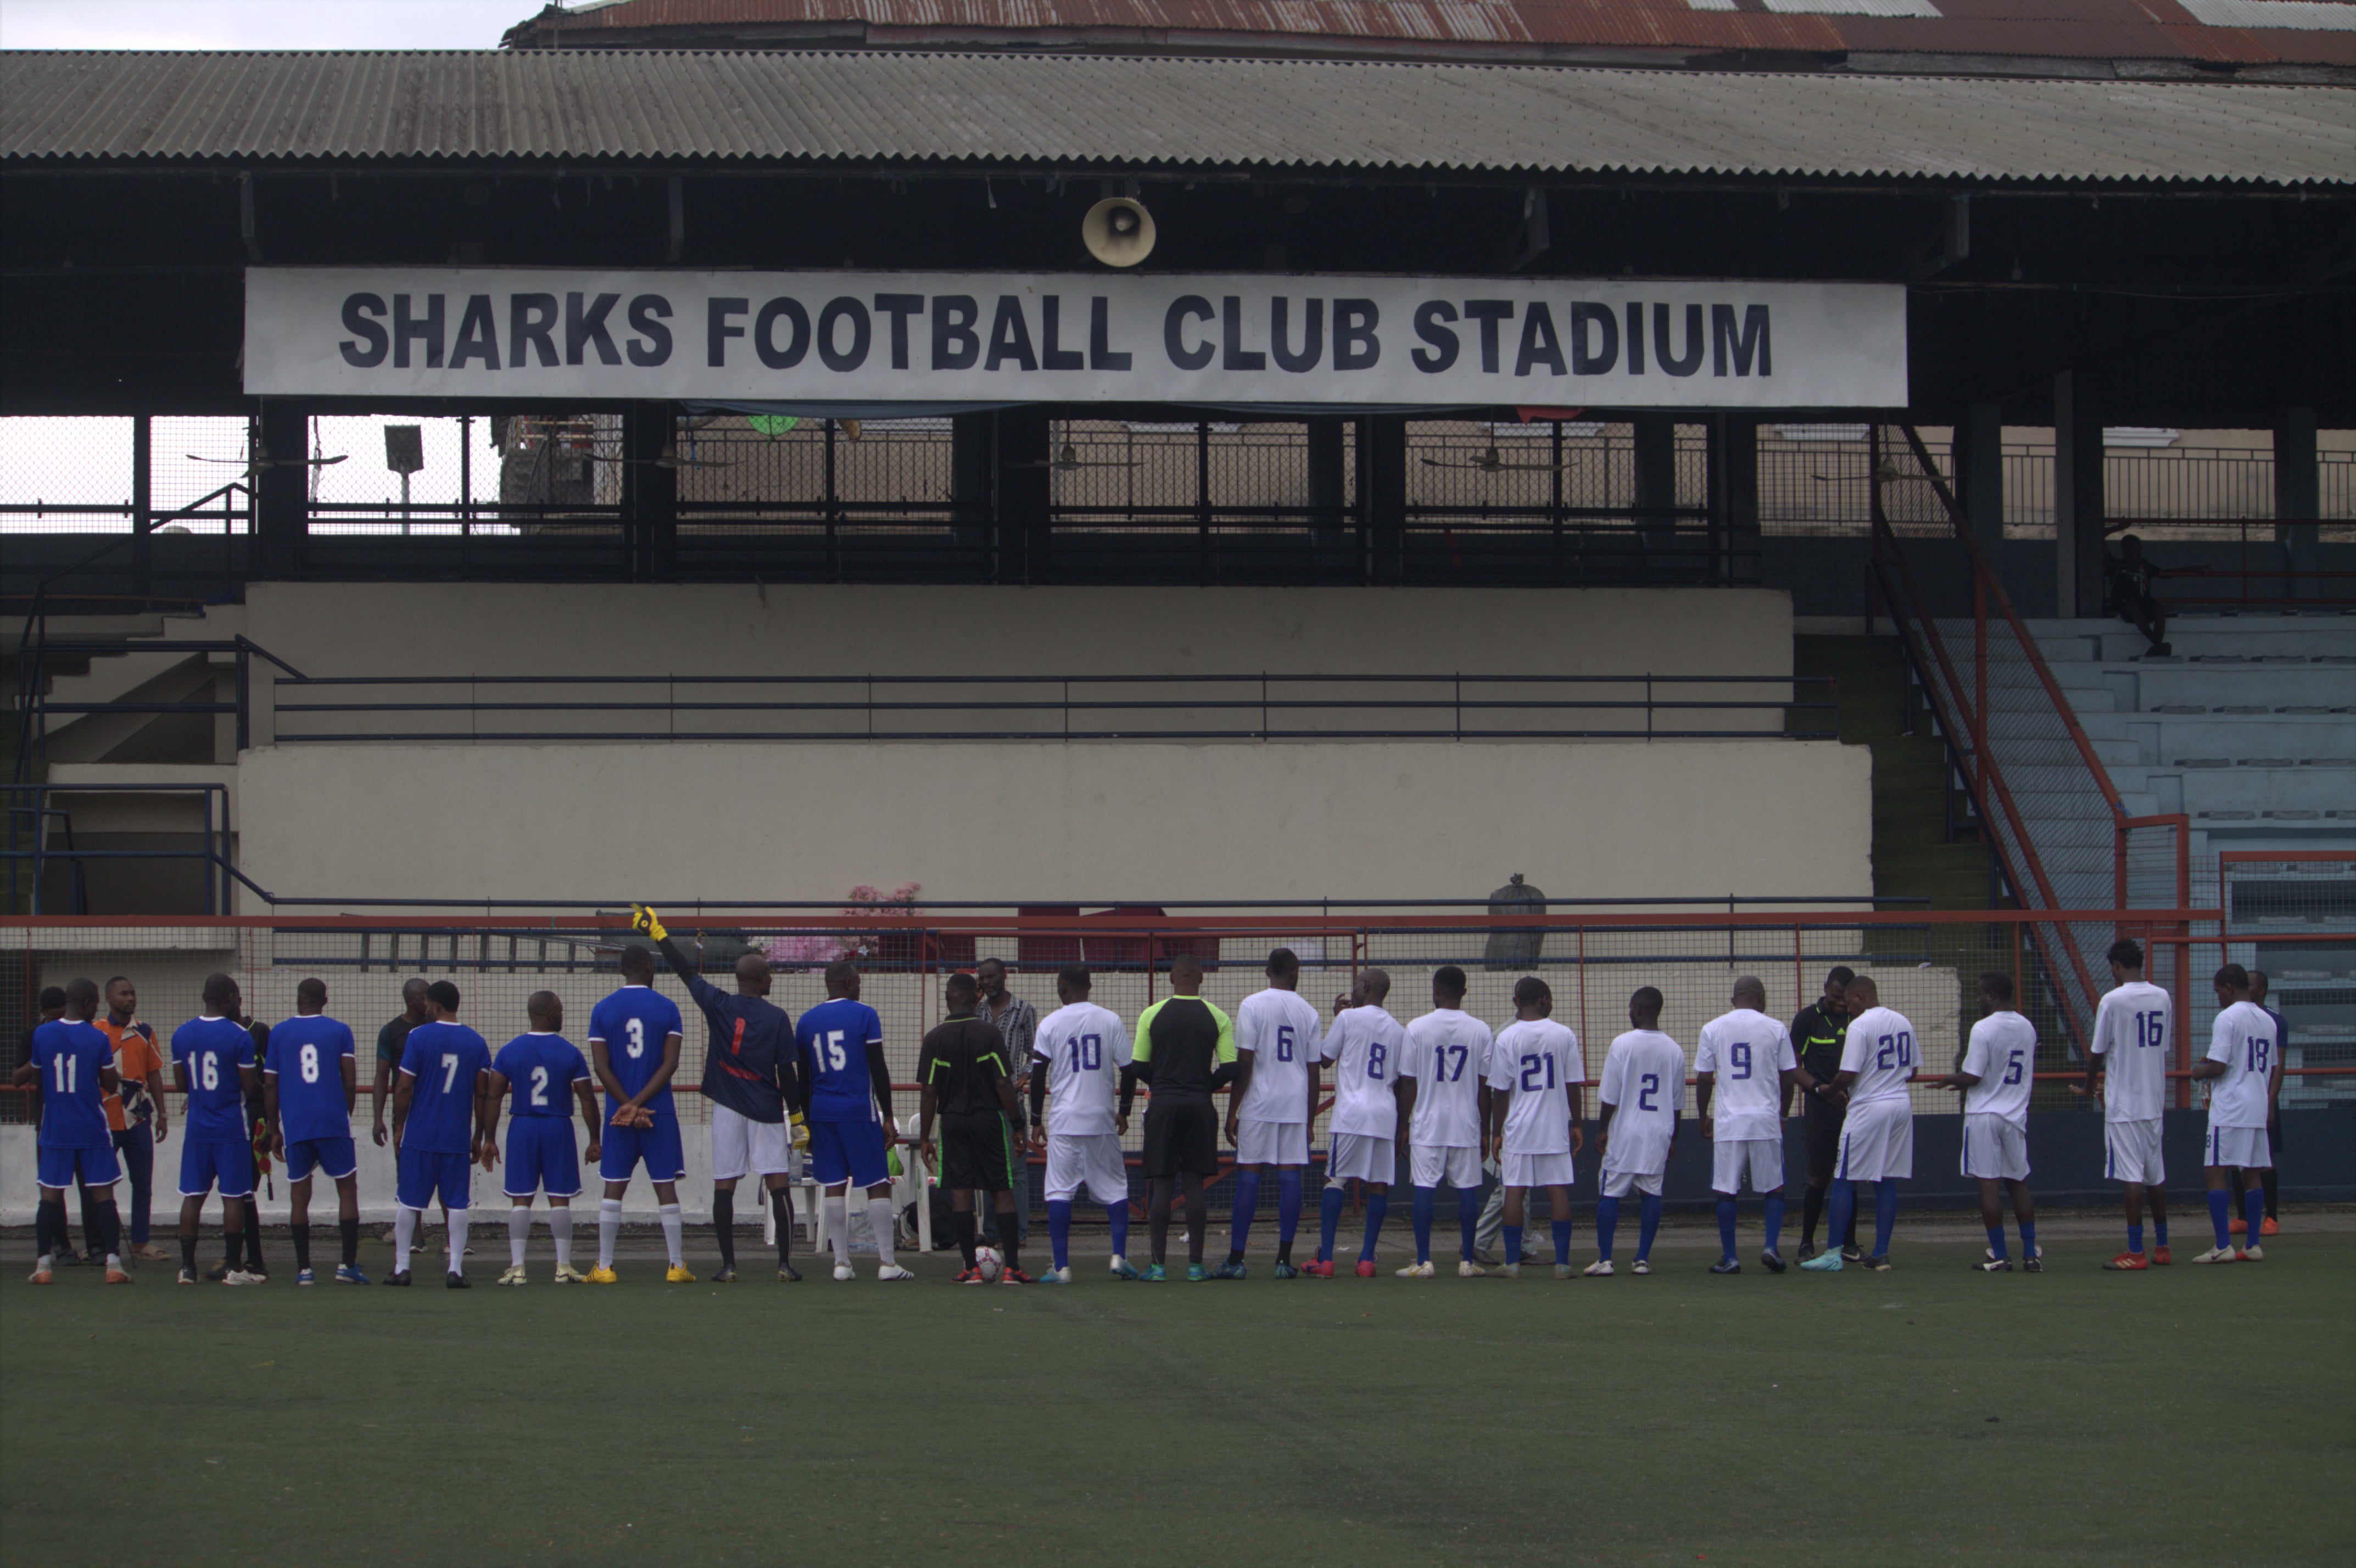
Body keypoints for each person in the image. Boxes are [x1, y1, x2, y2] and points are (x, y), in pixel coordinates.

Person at [635, 905, 807, 1282]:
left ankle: (729, 1266)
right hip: (765, 1110)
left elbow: (685, 972)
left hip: (727, 1110)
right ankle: (784, 1264)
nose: (772, 979)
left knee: (724, 1184)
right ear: (760, 979)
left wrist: (660, 935)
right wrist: (796, 1118)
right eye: (769, 975)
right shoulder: (777, 1017)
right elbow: (786, 1073)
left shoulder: (718, 1004)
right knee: (778, 1183)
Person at [1122, 953, 1238, 1282]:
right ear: (1201, 979)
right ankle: (1196, 1266)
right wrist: (1204, 1086)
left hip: (1164, 1106)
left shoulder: (1152, 1015)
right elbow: (1230, 1067)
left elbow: (1138, 1067)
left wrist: (1161, 1085)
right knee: (1194, 1184)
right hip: (1200, 1105)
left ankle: (1158, 1267)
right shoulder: (1218, 1016)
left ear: (1171, 979)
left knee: (1161, 1186)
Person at [799, 958, 913, 1283]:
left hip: (822, 1112)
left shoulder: (807, 1022)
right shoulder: (865, 1014)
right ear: (849, 983)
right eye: (859, 981)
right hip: (857, 1111)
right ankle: (888, 1263)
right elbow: (878, 1068)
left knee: (833, 1185)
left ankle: (841, 1264)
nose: (861, 986)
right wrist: (888, 1116)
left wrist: (808, 1120)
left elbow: (802, 1077)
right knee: (877, 1182)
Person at [585, 945, 692, 1284]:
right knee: (665, 1187)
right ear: (649, 967)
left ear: (621, 970)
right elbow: (671, 1063)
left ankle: (604, 1267)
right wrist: (642, 1104)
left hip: (619, 1115)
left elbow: (600, 1066)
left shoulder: (602, 1009)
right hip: (657, 1111)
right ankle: (676, 1266)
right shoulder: (667, 1008)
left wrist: (627, 1106)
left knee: (614, 1186)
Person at [15, 977, 129, 1285]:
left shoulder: (43, 1035)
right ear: (89, 1004)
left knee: (49, 1197)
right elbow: (109, 1084)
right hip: (91, 1128)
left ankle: (43, 1267)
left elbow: (36, 1077)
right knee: (103, 1195)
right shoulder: (97, 1038)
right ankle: (114, 1264)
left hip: (55, 1128)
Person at [482, 990, 601, 1285]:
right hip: (557, 1127)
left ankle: (518, 1268)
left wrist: (489, 1139)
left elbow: (493, 1097)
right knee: (559, 1199)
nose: (563, 1015)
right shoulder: (570, 1052)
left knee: (521, 1199)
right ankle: (563, 1267)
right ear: (552, 1016)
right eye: (560, 1011)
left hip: (522, 1126)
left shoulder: (509, 1051)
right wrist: (595, 1139)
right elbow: (587, 1098)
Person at [920, 971, 1032, 1284]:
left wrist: (925, 1137)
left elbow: (929, 1092)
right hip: (988, 1121)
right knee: (1001, 1190)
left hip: (952, 1122)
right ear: (975, 998)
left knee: (961, 1193)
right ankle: (1012, 1268)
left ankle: (970, 1268)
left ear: (947, 999)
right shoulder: (988, 1033)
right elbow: (1003, 1084)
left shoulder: (934, 1038)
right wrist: (1017, 1126)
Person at [1218, 947, 1323, 1279]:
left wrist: (1233, 1110)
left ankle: (1236, 1261)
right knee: (1290, 1177)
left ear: (1267, 972)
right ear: (1295, 972)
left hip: (1259, 1103)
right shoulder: (1309, 1012)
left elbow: (1245, 1061)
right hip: (1294, 1104)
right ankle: (1283, 1261)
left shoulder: (1252, 1004)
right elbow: (1315, 1071)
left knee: (1250, 1175)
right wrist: (1310, 1119)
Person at [1694, 976, 1808, 1275]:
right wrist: (1783, 1114)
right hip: (1765, 1118)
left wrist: (1703, 1115)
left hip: (1729, 1121)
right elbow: (1788, 1077)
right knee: (1774, 1186)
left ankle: (1730, 1257)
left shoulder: (1713, 1028)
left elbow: (1705, 1078)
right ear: (1761, 997)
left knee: (1726, 1189)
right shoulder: (1775, 1028)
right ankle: (1770, 1246)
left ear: (1734, 1000)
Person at [1801, 973, 1914, 1273]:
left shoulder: (1861, 1025)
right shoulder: (1903, 1021)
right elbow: (1912, 1070)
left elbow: (1848, 1073)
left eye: (1849, 1001)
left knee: (1843, 1177)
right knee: (1884, 1179)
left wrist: (1829, 1089)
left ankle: (1833, 1254)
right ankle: (1881, 1254)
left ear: (1861, 997)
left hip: (1869, 1107)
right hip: (1901, 1104)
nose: (1846, 1007)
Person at [1030, 964, 1135, 1284]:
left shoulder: (1050, 1023)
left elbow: (1037, 1076)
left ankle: (1061, 1268)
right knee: (1116, 1188)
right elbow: (1129, 1070)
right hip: (1101, 1119)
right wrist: (1124, 1111)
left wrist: (1035, 1120)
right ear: (1090, 986)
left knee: (1060, 1192)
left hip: (1064, 1122)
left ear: (1062, 987)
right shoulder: (1110, 1019)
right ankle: (1119, 1256)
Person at [263, 977, 367, 1285]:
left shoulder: (279, 1033)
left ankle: (304, 1270)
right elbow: (349, 1080)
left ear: (298, 1000)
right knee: (347, 1190)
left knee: (299, 1196)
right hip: (332, 1121)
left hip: (297, 1123)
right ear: (324, 1000)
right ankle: (347, 1266)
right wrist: (343, 1114)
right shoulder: (339, 1031)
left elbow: (270, 1083)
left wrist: (273, 1127)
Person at [389, 980, 492, 1287]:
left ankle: (402, 1269)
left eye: (428, 1005)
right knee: (458, 1203)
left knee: (409, 1201)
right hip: (456, 1138)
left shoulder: (418, 1037)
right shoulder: (476, 1042)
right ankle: (456, 1271)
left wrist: (399, 1127)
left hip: (421, 1136)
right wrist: (478, 1136)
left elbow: (405, 1086)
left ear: (435, 1006)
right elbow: (482, 1095)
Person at [1395, 965, 1493, 1279]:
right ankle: (1467, 1262)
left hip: (1428, 1123)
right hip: (1465, 1123)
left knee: (1425, 1188)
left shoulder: (1417, 1028)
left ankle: (1424, 1262)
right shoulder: (1480, 1030)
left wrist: (1403, 1124)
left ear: (1435, 990)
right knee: (1467, 1190)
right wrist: (1485, 1130)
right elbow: (1484, 1087)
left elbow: (1408, 1083)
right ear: (1465, 991)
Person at [2083, 938, 2173, 1270]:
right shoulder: (2162, 997)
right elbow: (2160, 1048)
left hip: (2125, 1104)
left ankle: (2136, 1252)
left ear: (2117, 966)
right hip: (2154, 1099)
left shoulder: (2113, 999)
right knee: (2156, 1175)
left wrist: (2090, 1086)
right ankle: (2162, 1247)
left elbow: (2097, 1051)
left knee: (2132, 1177)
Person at [1488, 976, 1587, 1279]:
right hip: (1553, 1128)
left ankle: (1513, 1264)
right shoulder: (1564, 1034)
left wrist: (1497, 1132)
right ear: (1545, 999)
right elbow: (1573, 1085)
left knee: (1514, 1192)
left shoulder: (1507, 1037)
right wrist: (1578, 1123)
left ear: (1516, 1002)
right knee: (1558, 1192)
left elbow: (1500, 1091)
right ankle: (1563, 1264)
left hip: (1519, 1128)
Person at [1311, 968, 1406, 1278]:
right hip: (1383, 1114)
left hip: (1351, 1114)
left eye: (1355, 984)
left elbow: (1325, 1059)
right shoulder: (1397, 1029)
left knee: (1336, 1180)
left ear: (1364, 987)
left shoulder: (1348, 1019)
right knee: (1378, 1186)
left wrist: (1337, 1017)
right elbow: (1404, 1081)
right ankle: (1367, 1260)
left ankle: (1326, 1259)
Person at [1941, 972, 2039, 1273]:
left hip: (1984, 1115)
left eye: (1982, 994)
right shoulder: (2028, 1027)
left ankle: (1999, 1253)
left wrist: (1949, 1080)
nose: (1979, 999)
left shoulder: (1983, 1028)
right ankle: (2030, 1255)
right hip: (2014, 1115)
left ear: (1993, 996)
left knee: (1989, 1185)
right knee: (2018, 1183)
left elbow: (1973, 1076)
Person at [172, 973, 263, 1287]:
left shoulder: (182, 1034)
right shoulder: (240, 1036)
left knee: (193, 1196)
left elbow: (182, 1084)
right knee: (233, 1197)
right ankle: (234, 1268)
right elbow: (250, 1088)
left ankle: (187, 1268)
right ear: (231, 999)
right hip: (230, 1128)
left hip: (197, 1128)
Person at [2190, 964, 2281, 1264]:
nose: (2217, 997)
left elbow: (2218, 1067)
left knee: (2215, 1170)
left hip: (2230, 1107)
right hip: (2256, 1104)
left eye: (2218, 991)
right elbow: (2271, 1065)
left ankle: (2222, 1246)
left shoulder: (2227, 1017)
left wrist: (2198, 1071)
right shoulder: (2267, 1020)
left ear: (2229, 988)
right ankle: (2253, 1244)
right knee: (2251, 1171)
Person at [1589, 987, 1676, 1278]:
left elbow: (1610, 1096)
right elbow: (1676, 1103)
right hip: (1658, 1131)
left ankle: (1605, 1259)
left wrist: (1602, 1129)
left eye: (1630, 1007)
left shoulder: (1623, 1044)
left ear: (1638, 1008)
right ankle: (1642, 1260)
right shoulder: (1674, 1049)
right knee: (1652, 1194)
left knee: (1610, 1194)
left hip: (1627, 1131)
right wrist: (1674, 1137)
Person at [1784, 967, 1858, 1263]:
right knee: (1819, 1176)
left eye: (1845, 999)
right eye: (1835, 996)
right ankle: (1806, 1243)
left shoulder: (1860, 1020)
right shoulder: (1807, 1019)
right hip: (1821, 1108)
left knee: (1850, 1175)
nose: (1840, 1003)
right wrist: (1820, 1089)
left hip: (1855, 1108)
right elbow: (1793, 1066)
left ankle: (1850, 1245)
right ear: (1826, 987)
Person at [96, 975, 169, 1263]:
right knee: (101, 1185)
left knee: (142, 1184)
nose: (130, 998)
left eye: (133, 993)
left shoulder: (145, 1032)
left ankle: (140, 1242)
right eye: (124, 994)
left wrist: (163, 1114)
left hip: (137, 1119)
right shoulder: (96, 1032)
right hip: (105, 1120)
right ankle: (102, 1244)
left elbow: (153, 1074)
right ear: (109, 999)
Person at [371, 978, 447, 1244]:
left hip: (438, 1112)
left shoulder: (439, 1029)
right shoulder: (392, 1032)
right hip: (407, 1114)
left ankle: (453, 1235)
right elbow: (382, 1077)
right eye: (425, 997)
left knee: (445, 1173)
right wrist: (378, 1118)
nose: (430, 1002)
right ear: (413, 1001)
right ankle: (414, 1232)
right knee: (407, 1172)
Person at [974, 956, 1038, 1251]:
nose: (987, 982)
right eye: (982, 978)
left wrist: (1024, 1076)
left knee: (1018, 1168)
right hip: (984, 1102)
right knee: (989, 1168)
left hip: (1013, 1102)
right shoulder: (977, 1011)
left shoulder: (1024, 1010)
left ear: (1004, 975)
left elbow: (1035, 1054)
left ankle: (1020, 1232)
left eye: (991, 977)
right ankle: (992, 1232)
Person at [2230, 970, 2286, 1237]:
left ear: (2261, 991)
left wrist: (2270, 1102)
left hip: (2261, 1099)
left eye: (2249, 986)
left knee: (2265, 1159)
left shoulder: (2275, 1021)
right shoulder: (2235, 1018)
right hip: (2240, 1100)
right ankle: (2242, 1217)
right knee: (2236, 1157)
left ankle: (2272, 1217)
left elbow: (2279, 1066)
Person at [2103, 534, 2198, 658]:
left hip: (2144, 604)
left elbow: (2164, 574)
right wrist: (2117, 529)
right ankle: (2158, 645)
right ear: (2125, 550)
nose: (2138, 553)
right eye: (2134, 550)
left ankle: (2157, 646)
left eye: (2139, 550)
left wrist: (2191, 569)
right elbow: (2101, 538)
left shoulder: (2144, 565)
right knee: (2134, 609)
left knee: (2159, 609)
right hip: (2124, 606)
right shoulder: (2115, 565)